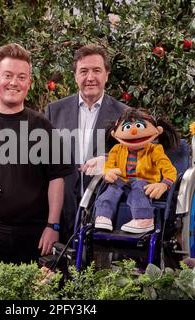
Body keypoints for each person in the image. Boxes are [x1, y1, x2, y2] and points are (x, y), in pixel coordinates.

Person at [0, 43, 73, 291]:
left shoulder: (42, 126)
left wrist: (53, 226)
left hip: (33, 233)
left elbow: (56, 178)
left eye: (21, 77)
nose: (13, 83)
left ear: (29, 83)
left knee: (33, 296)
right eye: (8, 76)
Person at [45, 44, 128, 243]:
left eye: (97, 70)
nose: (90, 77)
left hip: (107, 218)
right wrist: (51, 223)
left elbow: (139, 157)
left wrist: (108, 160)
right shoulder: (54, 111)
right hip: (63, 216)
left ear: (106, 74)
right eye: (83, 71)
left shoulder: (125, 114)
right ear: (75, 76)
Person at [94, 108, 179, 233]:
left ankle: (144, 219)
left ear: (158, 131)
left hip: (145, 183)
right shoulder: (116, 149)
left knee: (138, 186)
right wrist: (108, 173)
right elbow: (109, 165)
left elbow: (169, 169)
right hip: (123, 183)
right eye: (127, 127)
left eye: (139, 126)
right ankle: (104, 216)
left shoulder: (154, 150)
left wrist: (164, 184)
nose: (133, 131)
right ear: (115, 133)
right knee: (111, 189)